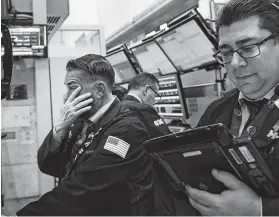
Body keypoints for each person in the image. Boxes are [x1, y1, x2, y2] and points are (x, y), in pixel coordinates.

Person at [16, 54, 154, 216]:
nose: (67, 96)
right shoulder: (80, 121)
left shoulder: (127, 130)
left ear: (99, 90)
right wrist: (60, 128)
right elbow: (49, 165)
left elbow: (81, 192)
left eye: (73, 87)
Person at [185, 0, 279, 215]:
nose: (235, 63)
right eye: (226, 53)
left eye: (248, 48)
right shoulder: (216, 111)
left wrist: (261, 210)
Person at [122, 72, 171, 138]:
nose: (154, 101)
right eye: (155, 94)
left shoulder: (119, 106)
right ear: (146, 90)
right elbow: (167, 138)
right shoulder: (143, 109)